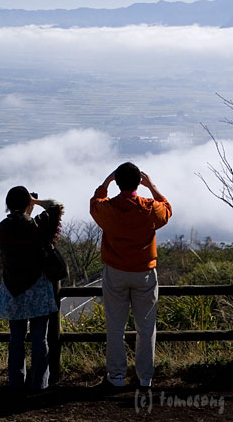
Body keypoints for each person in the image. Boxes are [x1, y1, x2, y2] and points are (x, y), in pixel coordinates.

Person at [90, 162, 172, 390]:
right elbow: (167, 209)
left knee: (115, 326)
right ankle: (145, 377)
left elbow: (94, 203)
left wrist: (106, 183)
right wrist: (152, 186)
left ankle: (116, 376)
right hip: (144, 272)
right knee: (146, 327)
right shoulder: (149, 208)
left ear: (117, 181)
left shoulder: (108, 208)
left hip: (115, 272)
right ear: (139, 182)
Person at [0, 186, 64, 391]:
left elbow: (17, 227)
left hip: (13, 288)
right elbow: (57, 207)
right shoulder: (37, 226)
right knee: (39, 339)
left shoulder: (1, 228)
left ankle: (16, 382)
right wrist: (35, 202)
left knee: (16, 338)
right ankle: (40, 384)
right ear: (28, 203)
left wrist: (27, 205)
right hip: (37, 288)